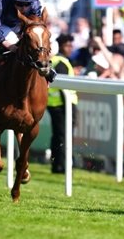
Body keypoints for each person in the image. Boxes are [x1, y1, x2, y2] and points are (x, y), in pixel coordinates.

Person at [47, 34, 78, 174]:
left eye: (71, 46)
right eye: (67, 46)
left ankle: (57, 164)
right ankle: (60, 166)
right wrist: (68, 108)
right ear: (61, 46)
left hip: (55, 104)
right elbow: (62, 87)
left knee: (58, 135)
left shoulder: (55, 61)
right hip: (62, 105)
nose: (70, 49)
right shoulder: (61, 63)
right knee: (63, 136)